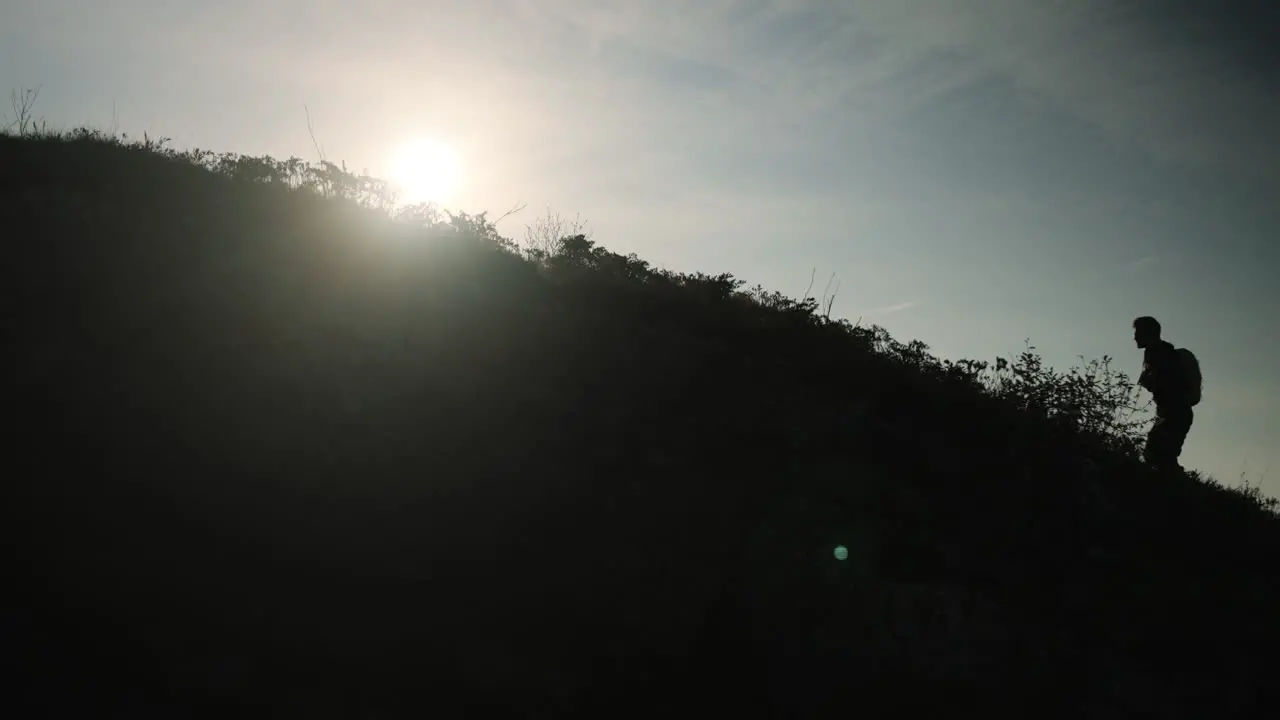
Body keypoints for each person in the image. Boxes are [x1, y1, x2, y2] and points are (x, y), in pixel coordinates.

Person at [1133, 316, 1193, 471]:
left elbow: (1164, 383)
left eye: (1138, 332)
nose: (1134, 337)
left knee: (1159, 456)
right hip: (1174, 412)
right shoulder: (1161, 351)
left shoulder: (1158, 353)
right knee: (1161, 456)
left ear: (1147, 333)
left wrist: (1150, 380)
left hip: (1174, 412)